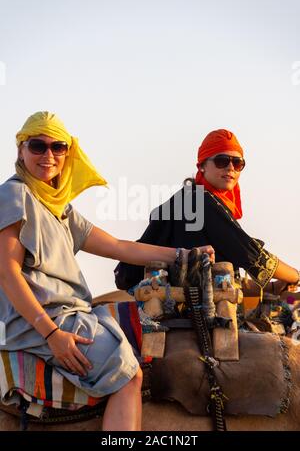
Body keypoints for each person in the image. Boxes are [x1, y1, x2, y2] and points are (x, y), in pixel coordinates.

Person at [0, 111, 214, 431]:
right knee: (129, 377)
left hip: (71, 312)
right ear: (21, 150)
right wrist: (51, 334)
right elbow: (7, 273)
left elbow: (118, 247)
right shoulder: (15, 195)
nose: (48, 155)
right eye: (37, 146)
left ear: (67, 153)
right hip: (44, 320)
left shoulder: (59, 208)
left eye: (58, 147)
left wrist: (183, 254)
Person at [115, 129, 300, 297]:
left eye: (237, 163)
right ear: (202, 166)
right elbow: (250, 255)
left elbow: (223, 274)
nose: (230, 168)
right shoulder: (198, 200)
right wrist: (295, 276)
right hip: (186, 303)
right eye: (221, 161)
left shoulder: (195, 199)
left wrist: (272, 288)